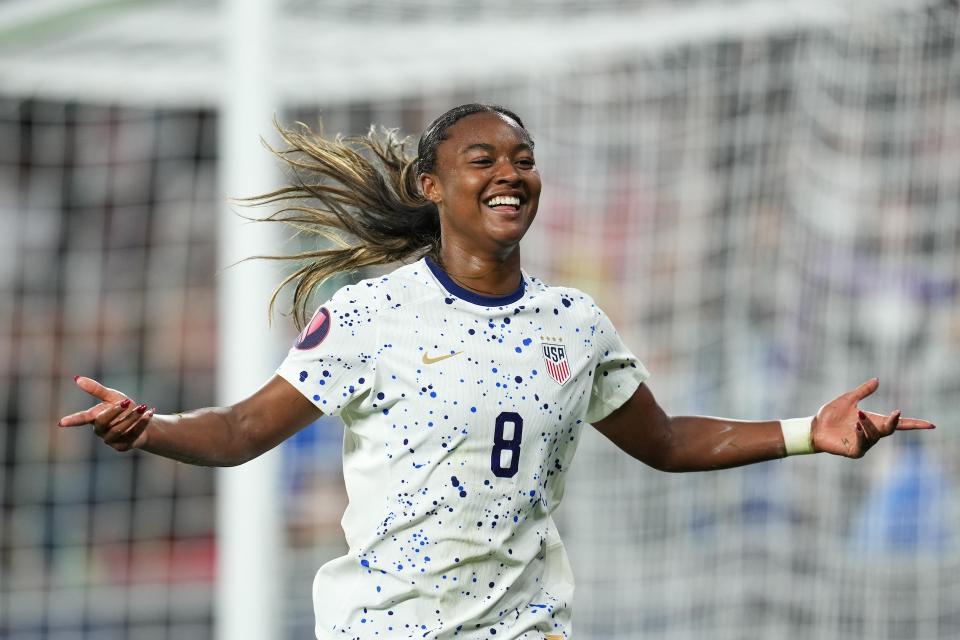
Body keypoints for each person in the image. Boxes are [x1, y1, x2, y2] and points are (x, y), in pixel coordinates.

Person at [57, 104, 935, 640]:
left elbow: (663, 440)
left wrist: (803, 435)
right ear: (432, 186)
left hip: (525, 628)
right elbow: (243, 431)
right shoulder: (370, 317)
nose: (511, 174)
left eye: (523, 160)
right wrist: (152, 428)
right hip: (386, 630)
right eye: (484, 160)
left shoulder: (574, 322)